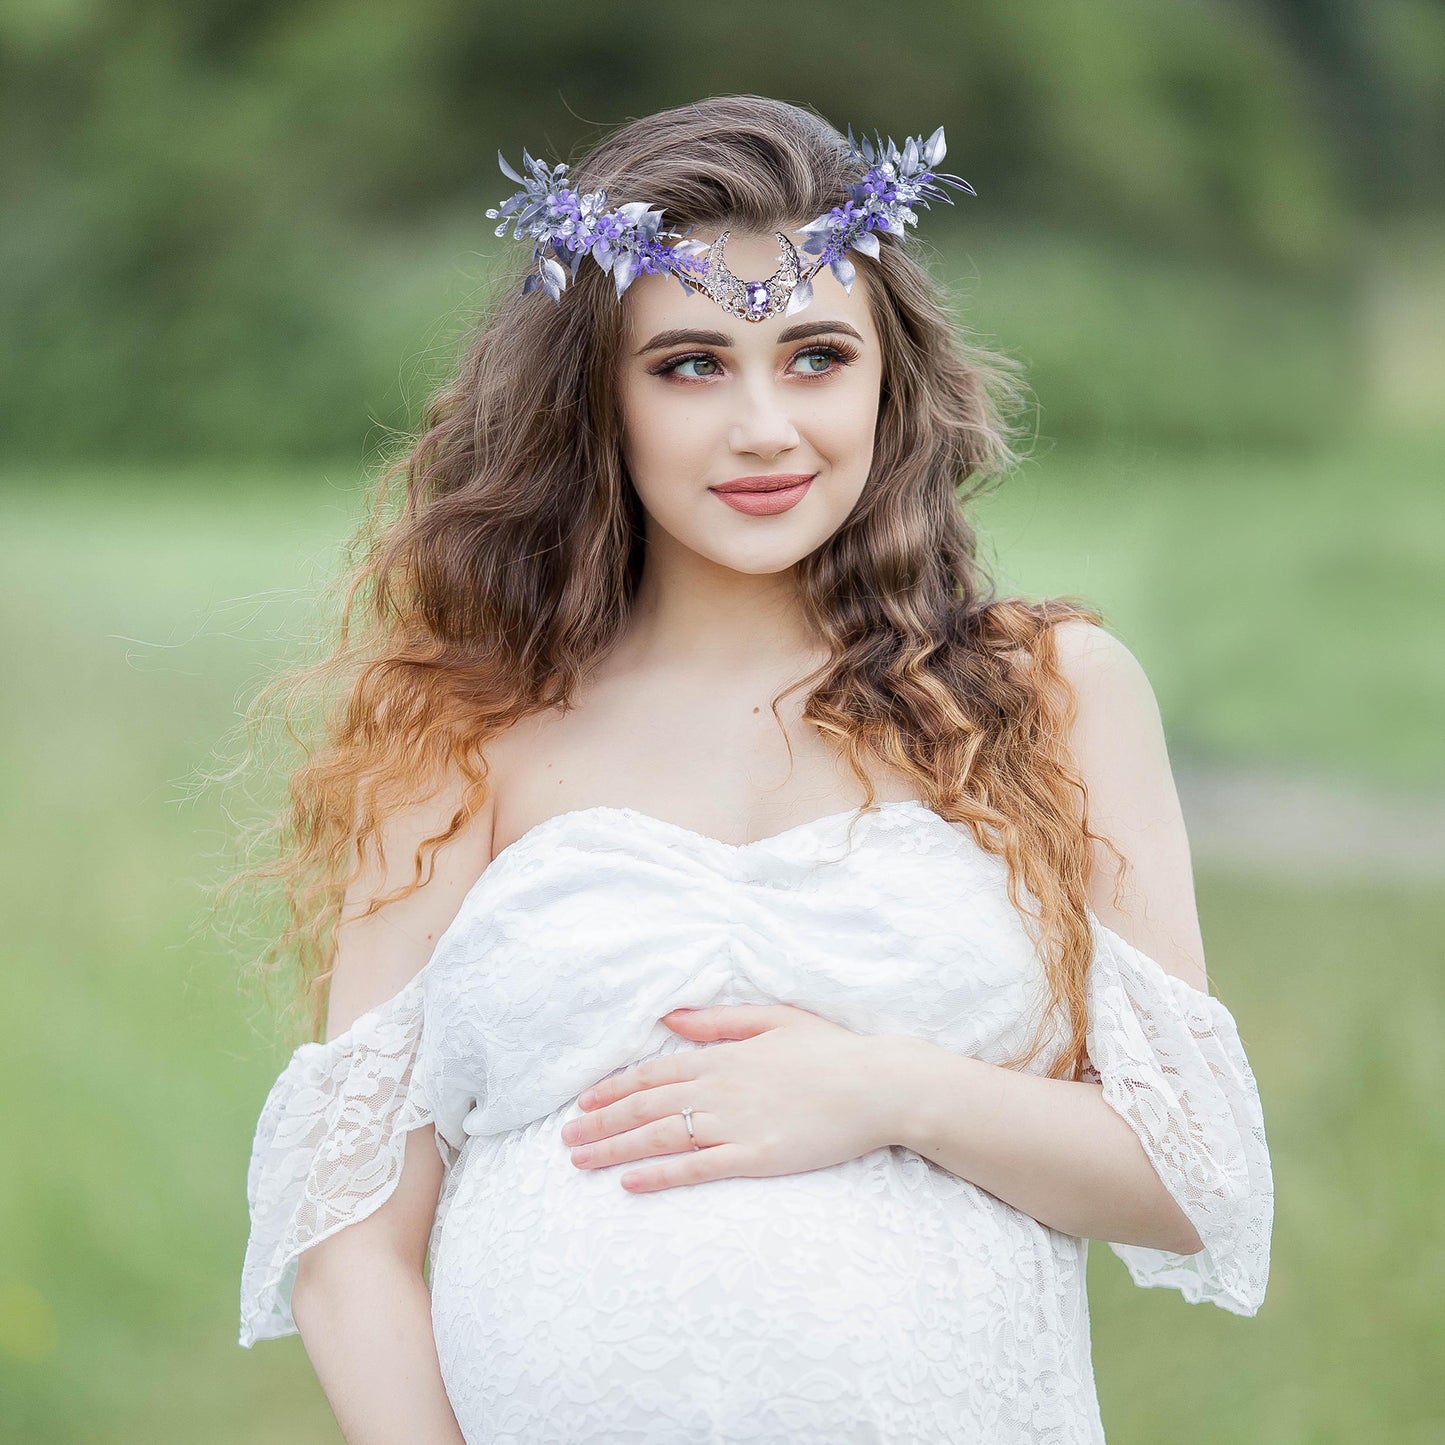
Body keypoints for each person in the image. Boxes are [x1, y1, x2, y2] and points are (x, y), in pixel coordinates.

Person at [234, 95, 1273, 1443]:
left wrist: (887, 1090)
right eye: (690, 366)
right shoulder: (464, 731)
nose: (765, 427)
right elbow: (348, 1244)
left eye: (815, 355)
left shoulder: (1049, 696)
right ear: (594, 398)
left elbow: (1194, 1177)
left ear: (886, 378)